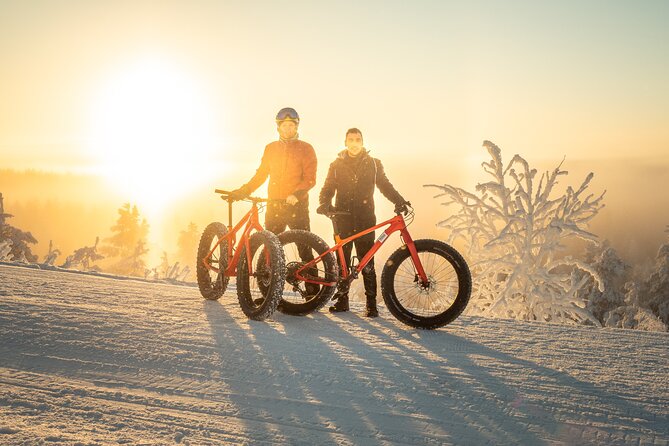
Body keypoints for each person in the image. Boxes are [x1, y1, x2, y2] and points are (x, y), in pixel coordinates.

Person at [317, 128, 409, 317]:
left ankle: (371, 305)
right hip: (342, 218)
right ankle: (342, 301)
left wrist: (399, 200)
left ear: (362, 142)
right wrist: (324, 204)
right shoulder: (336, 165)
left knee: (367, 262)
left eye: (357, 139)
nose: (354, 143)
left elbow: (384, 185)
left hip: (366, 219)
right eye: (350, 139)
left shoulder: (374, 164)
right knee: (342, 261)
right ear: (345, 142)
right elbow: (327, 188)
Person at [230, 107, 317, 234]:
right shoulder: (270, 148)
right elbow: (261, 175)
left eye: (291, 125)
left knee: (305, 250)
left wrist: (296, 194)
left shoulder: (306, 149)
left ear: (296, 127)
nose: (287, 128)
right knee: (270, 249)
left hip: (297, 207)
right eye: (284, 125)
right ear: (278, 128)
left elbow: (310, 178)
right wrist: (244, 190)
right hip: (274, 206)